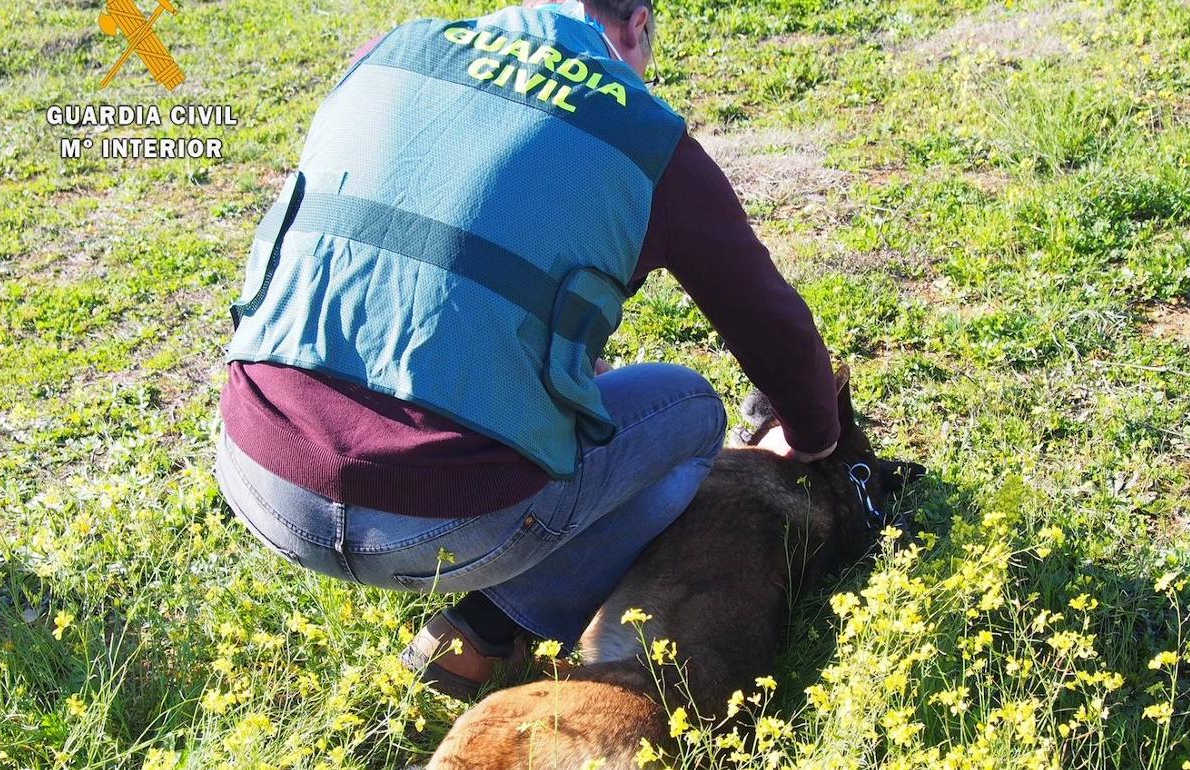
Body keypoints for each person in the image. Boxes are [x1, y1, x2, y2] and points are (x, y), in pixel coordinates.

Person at [214, 0, 839, 701]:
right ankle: (484, 628)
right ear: (636, 23)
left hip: (259, 476)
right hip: (444, 522)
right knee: (691, 409)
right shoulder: (642, 135)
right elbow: (769, 322)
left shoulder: (389, 53)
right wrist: (810, 435)